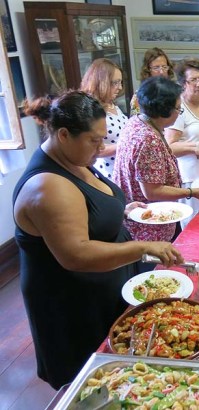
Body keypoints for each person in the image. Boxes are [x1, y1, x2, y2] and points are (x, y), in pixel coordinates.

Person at [14, 91, 183, 390]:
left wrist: (122, 208)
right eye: (94, 140)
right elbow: (76, 255)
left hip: (104, 287)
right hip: (73, 303)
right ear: (63, 135)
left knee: (123, 376)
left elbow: (89, 207)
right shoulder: (48, 186)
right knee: (90, 385)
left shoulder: (73, 158)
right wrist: (143, 247)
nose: (101, 148)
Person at [113, 76, 199, 243]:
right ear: (164, 111)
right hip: (148, 225)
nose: (179, 113)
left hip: (137, 220)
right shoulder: (148, 139)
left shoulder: (136, 122)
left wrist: (193, 148)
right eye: (178, 109)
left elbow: (155, 160)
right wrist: (192, 192)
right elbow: (153, 191)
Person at [164, 59, 199, 216]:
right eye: (193, 80)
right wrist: (197, 146)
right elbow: (168, 148)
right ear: (183, 83)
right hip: (189, 175)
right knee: (194, 219)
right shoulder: (178, 107)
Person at [80, 58, 128, 180]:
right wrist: (126, 146)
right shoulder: (90, 110)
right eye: (115, 83)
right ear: (101, 82)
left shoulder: (113, 105)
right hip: (109, 175)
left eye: (120, 82)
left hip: (123, 171)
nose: (120, 87)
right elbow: (93, 149)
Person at [130, 47, 175, 115]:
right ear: (148, 70)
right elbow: (136, 120)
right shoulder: (140, 96)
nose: (161, 72)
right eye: (156, 68)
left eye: (164, 67)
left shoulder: (175, 92)